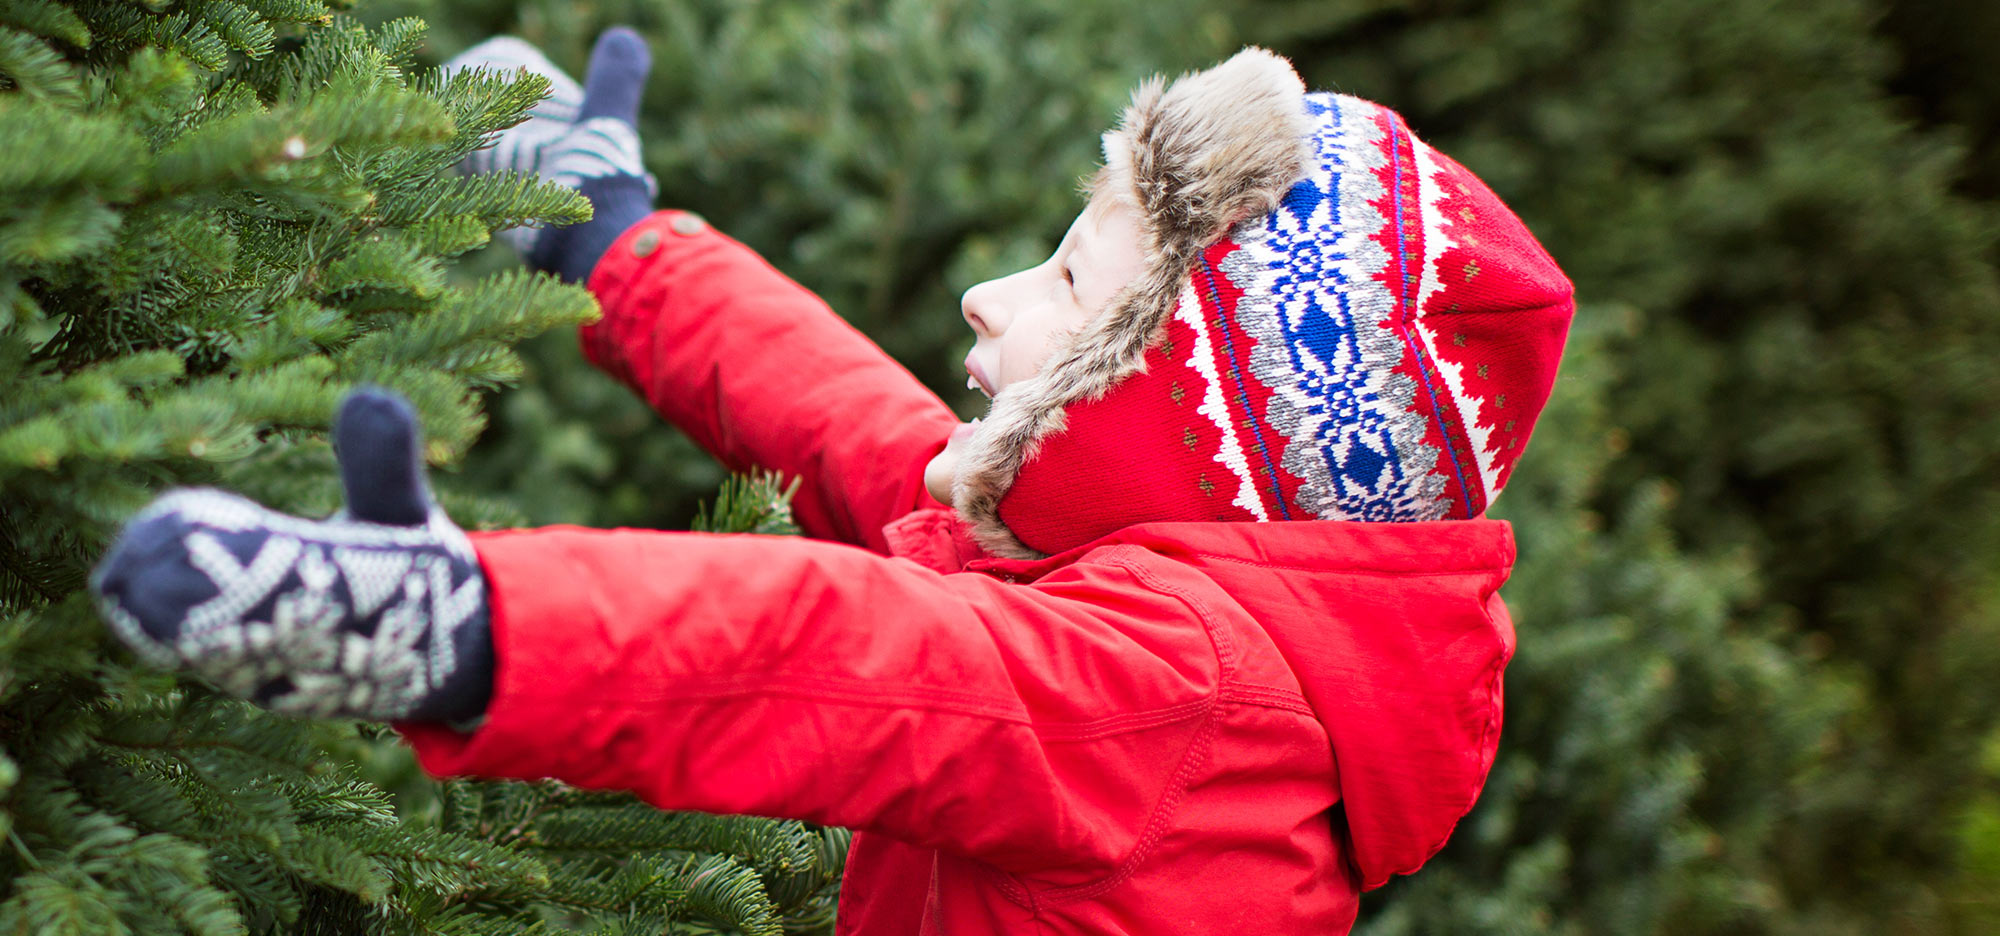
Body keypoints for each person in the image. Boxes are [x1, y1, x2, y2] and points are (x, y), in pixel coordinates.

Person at [91, 29, 1574, 934]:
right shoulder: (1121, 594)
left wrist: (470, 629)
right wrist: (612, 241)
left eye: (1070, 282)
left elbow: (835, 653)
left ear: (1177, 424)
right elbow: (843, 422)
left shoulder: (1173, 690)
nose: (992, 294)